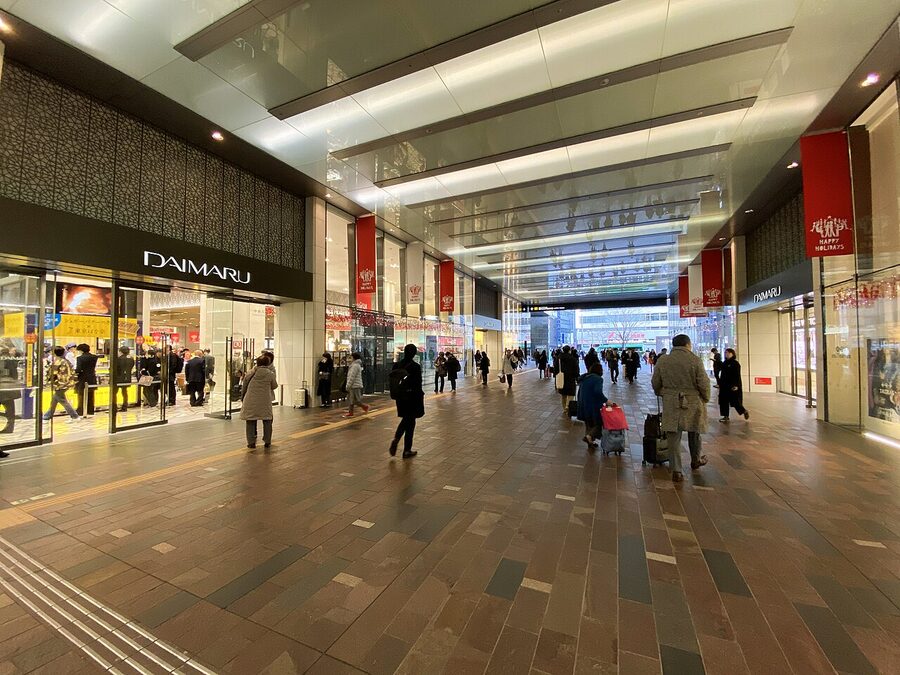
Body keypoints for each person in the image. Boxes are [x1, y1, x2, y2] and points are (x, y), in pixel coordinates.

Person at [651, 334, 710, 483]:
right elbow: (703, 383)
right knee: (694, 431)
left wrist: (661, 392)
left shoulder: (663, 360)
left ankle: (676, 470)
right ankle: (695, 460)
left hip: (671, 401)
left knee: (673, 436)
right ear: (688, 345)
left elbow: (655, 382)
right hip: (693, 401)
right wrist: (705, 398)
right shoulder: (695, 360)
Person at [389, 343, 423, 459]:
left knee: (406, 419)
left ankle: (397, 441)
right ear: (414, 353)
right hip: (411, 398)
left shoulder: (396, 365)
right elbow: (418, 384)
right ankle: (406, 449)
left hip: (400, 397)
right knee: (410, 422)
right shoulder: (415, 366)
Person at [241, 354, 278, 449]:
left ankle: (251, 442)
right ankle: (267, 441)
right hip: (265, 400)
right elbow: (274, 386)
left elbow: (244, 385)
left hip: (251, 399)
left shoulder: (251, 372)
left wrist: (242, 397)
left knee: (250, 421)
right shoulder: (270, 374)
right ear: (268, 363)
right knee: (267, 420)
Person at [43, 346, 80, 423]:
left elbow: (53, 374)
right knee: (55, 400)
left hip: (60, 384)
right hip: (66, 383)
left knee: (62, 400)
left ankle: (75, 416)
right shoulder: (65, 361)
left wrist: (48, 381)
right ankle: (47, 417)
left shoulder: (57, 361)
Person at [576, 363, 608, 449]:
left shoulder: (585, 377)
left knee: (588, 423)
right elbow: (598, 392)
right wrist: (606, 401)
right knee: (599, 423)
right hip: (592, 405)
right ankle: (589, 437)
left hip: (582, 404)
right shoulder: (598, 379)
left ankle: (590, 442)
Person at [719, 348, 750, 422]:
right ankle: (725, 416)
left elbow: (737, 375)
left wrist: (736, 385)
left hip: (732, 385)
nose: (726, 354)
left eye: (728, 353)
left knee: (735, 401)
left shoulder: (735, 364)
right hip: (724, 385)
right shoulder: (724, 363)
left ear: (732, 354)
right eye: (725, 353)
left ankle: (744, 411)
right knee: (723, 401)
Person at [0, 347, 20, 441]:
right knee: (10, 410)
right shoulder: (11, 361)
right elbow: (15, 375)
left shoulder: (2, 361)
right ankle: (10, 427)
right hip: (9, 388)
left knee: (9, 409)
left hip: (2, 388)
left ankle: (9, 427)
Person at [74, 343, 97, 417]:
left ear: (81, 350)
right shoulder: (94, 357)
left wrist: (74, 372)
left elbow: (78, 369)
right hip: (92, 377)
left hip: (82, 378)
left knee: (81, 394)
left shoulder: (80, 358)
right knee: (91, 395)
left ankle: (80, 410)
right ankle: (90, 410)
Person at [343, 352, 370, 417]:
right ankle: (351, 412)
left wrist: (348, 385)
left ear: (354, 358)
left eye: (351, 357)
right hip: (354, 385)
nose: (350, 359)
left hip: (355, 385)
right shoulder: (355, 365)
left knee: (356, 400)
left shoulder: (355, 366)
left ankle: (365, 406)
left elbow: (352, 377)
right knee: (351, 399)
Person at [559, 345, 579, 415]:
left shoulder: (559, 358)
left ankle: (564, 408)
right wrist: (577, 377)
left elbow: (556, 368)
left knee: (563, 394)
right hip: (571, 378)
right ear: (569, 351)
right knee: (571, 394)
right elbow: (576, 370)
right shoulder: (573, 359)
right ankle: (568, 406)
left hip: (562, 378)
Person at [115, 346, 135, 413]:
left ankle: (114, 406)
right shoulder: (131, 359)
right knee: (125, 392)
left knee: (114, 393)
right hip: (127, 377)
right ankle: (124, 407)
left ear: (120, 351)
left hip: (118, 378)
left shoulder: (118, 359)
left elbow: (115, 368)